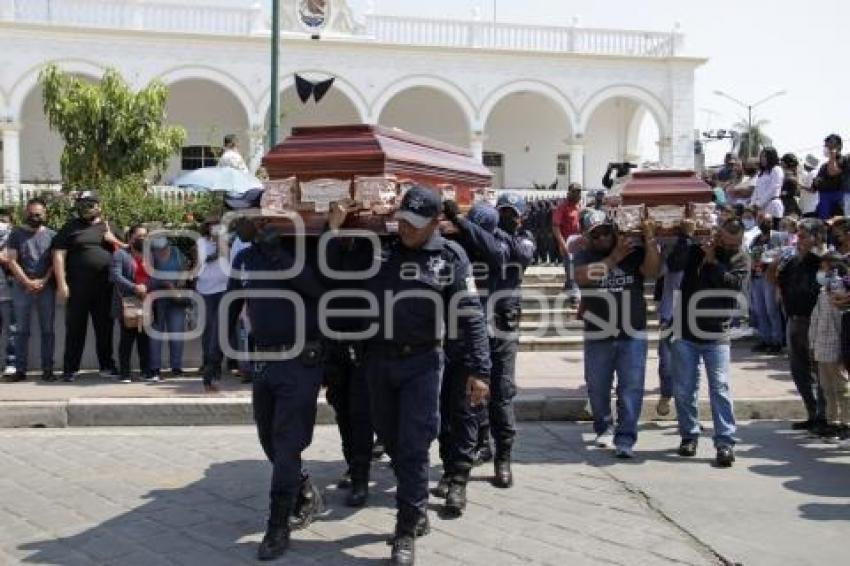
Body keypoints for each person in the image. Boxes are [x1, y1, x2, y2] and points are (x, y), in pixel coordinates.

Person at [328, 187, 491, 565]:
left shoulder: (452, 258)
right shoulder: (380, 249)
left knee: (415, 446)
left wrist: (480, 370)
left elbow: (471, 317)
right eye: (401, 219)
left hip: (422, 362)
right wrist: (334, 230)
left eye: (414, 224)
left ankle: (405, 530)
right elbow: (335, 275)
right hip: (377, 363)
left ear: (436, 224)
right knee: (391, 440)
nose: (405, 228)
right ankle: (415, 508)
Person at [231, 221, 328, 562]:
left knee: (287, 443)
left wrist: (276, 252)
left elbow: (316, 289)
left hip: (300, 359)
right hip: (263, 359)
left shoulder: (304, 252)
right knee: (268, 440)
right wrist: (217, 355)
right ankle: (300, 487)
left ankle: (277, 525)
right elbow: (232, 300)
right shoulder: (244, 258)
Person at [573, 209, 661, 458]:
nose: (601, 238)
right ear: (587, 237)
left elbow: (653, 271)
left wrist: (650, 239)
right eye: (595, 235)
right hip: (598, 333)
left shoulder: (633, 251)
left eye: (605, 232)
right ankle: (603, 427)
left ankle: (626, 437)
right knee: (598, 387)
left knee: (631, 387)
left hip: (632, 332)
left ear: (613, 230)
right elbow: (581, 277)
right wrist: (613, 258)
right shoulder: (583, 255)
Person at [668, 218, 750, 467]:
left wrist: (713, 261)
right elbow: (673, 264)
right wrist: (686, 238)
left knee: (720, 388)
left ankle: (725, 442)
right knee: (684, 388)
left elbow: (732, 287)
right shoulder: (696, 249)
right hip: (686, 331)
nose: (731, 246)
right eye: (726, 240)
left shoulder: (741, 258)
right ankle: (688, 436)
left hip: (717, 334)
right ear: (717, 234)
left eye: (735, 243)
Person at [52, 191, 121, 382]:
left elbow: (129, 251)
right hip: (77, 288)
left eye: (89, 204)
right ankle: (70, 369)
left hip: (105, 288)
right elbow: (58, 254)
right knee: (75, 329)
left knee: (104, 329)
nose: (85, 208)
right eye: (82, 204)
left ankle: (107, 366)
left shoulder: (110, 226)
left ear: (99, 205)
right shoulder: (70, 227)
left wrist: (112, 240)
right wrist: (61, 284)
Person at [773, 218, 828, 432]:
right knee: (799, 370)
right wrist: (775, 264)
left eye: (804, 236)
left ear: (817, 237)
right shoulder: (793, 261)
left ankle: (824, 416)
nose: (799, 240)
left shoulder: (822, 261)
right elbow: (777, 281)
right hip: (794, 319)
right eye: (798, 236)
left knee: (819, 369)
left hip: (815, 322)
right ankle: (811, 412)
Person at [4, 198, 55, 382]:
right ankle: (20, 370)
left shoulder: (51, 235)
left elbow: (54, 263)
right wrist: (27, 282)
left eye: (39, 214)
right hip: (21, 287)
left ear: (45, 214)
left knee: (47, 330)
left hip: (45, 287)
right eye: (32, 214)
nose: (35, 217)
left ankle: (48, 369)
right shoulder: (16, 234)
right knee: (21, 331)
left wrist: (43, 280)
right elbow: (12, 260)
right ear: (26, 213)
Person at [808, 252, 850, 442]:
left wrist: (844, 351)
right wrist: (812, 343)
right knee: (827, 388)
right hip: (821, 348)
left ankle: (846, 423)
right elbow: (816, 320)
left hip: (836, 348)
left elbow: (842, 324)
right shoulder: (823, 293)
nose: (821, 272)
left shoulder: (841, 293)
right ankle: (832, 422)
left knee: (842, 388)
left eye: (824, 268)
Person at [110, 225, 152, 383]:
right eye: (139, 236)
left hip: (146, 300)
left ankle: (146, 371)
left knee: (144, 339)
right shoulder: (120, 254)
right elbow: (115, 276)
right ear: (130, 237)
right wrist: (135, 287)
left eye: (145, 236)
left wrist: (147, 286)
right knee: (127, 339)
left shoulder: (149, 254)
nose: (142, 239)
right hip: (126, 302)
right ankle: (125, 373)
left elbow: (156, 274)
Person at [195, 217, 230, 392]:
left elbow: (227, 256)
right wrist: (213, 250)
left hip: (224, 287)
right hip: (206, 288)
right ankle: (207, 362)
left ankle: (216, 365)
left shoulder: (226, 240)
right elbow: (202, 261)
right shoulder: (201, 242)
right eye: (210, 225)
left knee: (221, 326)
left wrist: (220, 242)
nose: (213, 228)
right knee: (209, 327)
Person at [148, 237, 189, 380]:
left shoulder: (177, 252)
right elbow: (149, 278)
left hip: (176, 298)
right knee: (156, 335)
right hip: (157, 298)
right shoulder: (151, 256)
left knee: (177, 333)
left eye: (163, 250)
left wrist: (182, 280)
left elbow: (185, 267)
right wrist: (165, 284)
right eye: (158, 251)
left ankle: (176, 367)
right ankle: (155, 369)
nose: (161, 253)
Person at [748, 215, 786, 354]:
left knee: (772, 310)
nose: (765, 223)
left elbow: (783, 254)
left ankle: (777, 341)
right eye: (762, 220)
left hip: (770, 277)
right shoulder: (755, 239)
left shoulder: (778, 237)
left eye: (768, 221)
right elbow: (750, 255)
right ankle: (765, 339)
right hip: (756, 277)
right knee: (759, 310)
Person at [553, 184, 583, 304]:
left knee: (572, 267)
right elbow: (555, 227)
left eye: (579, 192)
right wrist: (563, 244)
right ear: (569, 192)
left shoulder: (579, 207)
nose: (577, 194)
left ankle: (568, 286)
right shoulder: (562, 207)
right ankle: (575, 294)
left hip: (578, 243)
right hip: (567, 243)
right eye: (575, 192)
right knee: (572, 267)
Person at [0, 210, 20, 381]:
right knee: (12, 329)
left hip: (9, 289)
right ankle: (11, 363)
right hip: (8, 289)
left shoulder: (12, 234)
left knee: (13, 329)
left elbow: (9, 259)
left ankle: (11, 363)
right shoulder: (12, 232)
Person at [812, 134, 850, 220]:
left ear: (839, 146)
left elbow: (832, 172)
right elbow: (814, 187)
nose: (826, 148)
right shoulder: (823, 166)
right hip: (823, 200)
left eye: (829, 145)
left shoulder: (844, 160)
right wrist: (816, 182)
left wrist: (833, 156)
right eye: (825, 145)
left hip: (837, 199)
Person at [750, 147, 785, 221]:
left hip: (772, 205)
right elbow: (757, 189)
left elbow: (773, 188)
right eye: (761, 156)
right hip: (759, 208)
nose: (762, 159)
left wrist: (759, 204)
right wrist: (752, 204)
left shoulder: (776, 169)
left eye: (764, 156)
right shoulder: (761, 172)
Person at [780, 153, 802, 218]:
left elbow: (796, 190)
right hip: (787, 205)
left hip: (788, 207)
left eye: (782, 162)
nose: (781, 164)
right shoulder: (788, 174)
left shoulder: (789, 176)